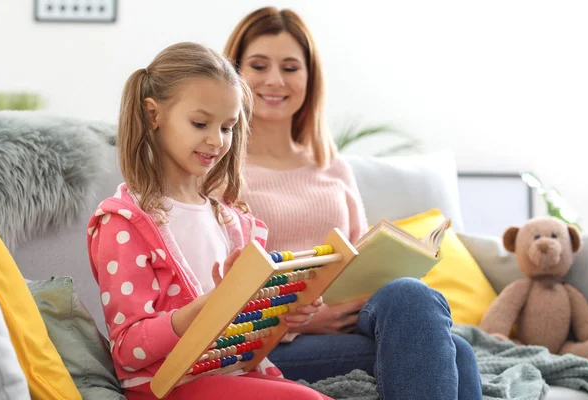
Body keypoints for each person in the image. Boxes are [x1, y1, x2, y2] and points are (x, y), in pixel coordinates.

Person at [224, 7, 483, 400]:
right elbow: (215, 283)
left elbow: (360, 251)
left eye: (291, 67)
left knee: (409, 293)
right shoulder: (220, 166)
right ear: (234, 74)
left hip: (354, 318)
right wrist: (306, 318)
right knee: (458, 353)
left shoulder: (334, 167)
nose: (275, 80)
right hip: (273, 340)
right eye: (259, 65)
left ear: (310, 79)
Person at [86, 42, 330, 400]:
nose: (217, 140)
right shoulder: (124, 223)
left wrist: (284, 313)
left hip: (234, 374)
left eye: (228, 127)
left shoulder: (232, 220)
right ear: (153, 115)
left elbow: (247, 329)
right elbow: (128, 347)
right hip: (167, 386)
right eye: (200, 123)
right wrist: (207, 308)